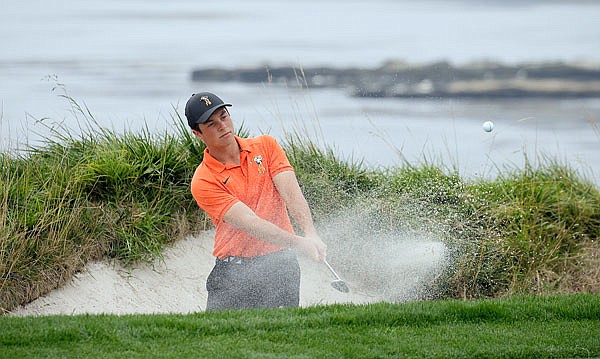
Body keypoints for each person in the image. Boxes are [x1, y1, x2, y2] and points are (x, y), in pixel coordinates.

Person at [185, 92, 327, 310]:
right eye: (212, 124)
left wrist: (310, 233)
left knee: (284, 340)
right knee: (219, 341)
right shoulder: (204, 179)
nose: (223, 126)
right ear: (198, 134)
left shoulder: (266, 146)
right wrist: (299, 243)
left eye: (224, 117)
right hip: (233, 274)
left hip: (281, 267)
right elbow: (250, 222)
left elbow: (292, 195)